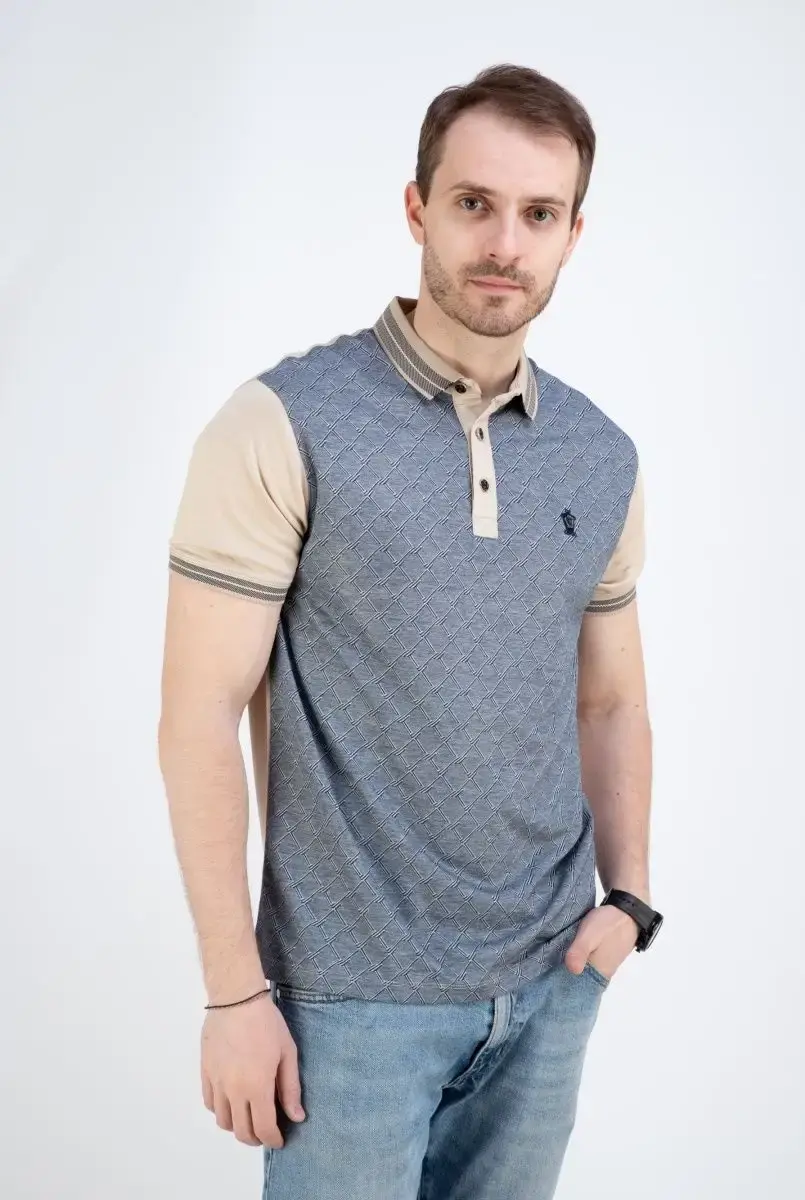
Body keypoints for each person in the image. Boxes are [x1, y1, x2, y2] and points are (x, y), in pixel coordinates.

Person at [157, 61, 663, 1200]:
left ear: (573, 235)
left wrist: (629, 899)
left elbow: (611, 697)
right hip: (349, 1006)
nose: (504, 244)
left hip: (551, 984)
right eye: (474, 202)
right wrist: (235, 993)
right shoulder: (285, 423)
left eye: (539, 214)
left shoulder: (601, 455)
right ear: (417, 207)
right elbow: (198, 713)